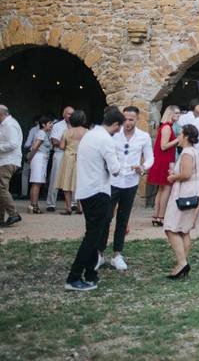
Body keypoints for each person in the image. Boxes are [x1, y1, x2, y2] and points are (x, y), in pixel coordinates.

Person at [65, 106, 124, 291]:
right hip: (98, 191)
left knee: (94, 233)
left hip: (85, 190)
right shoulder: (106, 140)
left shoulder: (91, 134)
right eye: (119, 127)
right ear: (115, 124)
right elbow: (115, 169)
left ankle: (91, 273)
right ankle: (74, 277)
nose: (119, 130)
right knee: (92, 237)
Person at [100, 106, 153, 271]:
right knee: (106, 217)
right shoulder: (114, 134)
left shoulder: (143, 137)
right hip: (112, 181)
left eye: (131, 119)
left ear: (137, 119)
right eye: (125, 119)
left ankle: (117, 254)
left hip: (130, 181)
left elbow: (151, 158)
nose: (128, 123)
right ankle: (99, 254)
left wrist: (142, 167)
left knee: (123, 219)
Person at [163, 124, 199, 280]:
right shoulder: (195, 152)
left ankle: (181, 262)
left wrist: (173, 177)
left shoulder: (187, 153)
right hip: (195, 190)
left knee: (170, 227)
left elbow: (186, 174)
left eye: (180, 135)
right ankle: (182, 264)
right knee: (183, 230)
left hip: (186, 192)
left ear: (186, 136)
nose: (178, 138)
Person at [148, 105, 180, 226]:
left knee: (161, 189)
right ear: (170, 113)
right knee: (166, 188)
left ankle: (156, 216)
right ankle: (161, 216)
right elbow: (163, 146)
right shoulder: (166, 127)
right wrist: (178, 140)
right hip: (164, 161)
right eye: (176, 113)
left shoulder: (167, 127)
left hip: (164, 160)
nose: (178, 115)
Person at [56, 109, 88, 215]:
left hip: (69, 158)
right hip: (82, 159)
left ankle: (68, 207)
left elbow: (61, 146)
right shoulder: (87, 132)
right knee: (80, 183)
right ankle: (80, 207)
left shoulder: (67, 132)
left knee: (67, 183)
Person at [0, 104, 24, 227]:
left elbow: (13, 144)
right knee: (2, 189)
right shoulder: (6, 124)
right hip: (5, 160)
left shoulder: (9, 125)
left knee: (1, 189)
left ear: (1, 114)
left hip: (7, 160)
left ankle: (14, 214)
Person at [47, 106, 74, 212]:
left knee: (72, 178)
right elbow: (54, 141)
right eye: (68, 114)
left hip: (72, 154)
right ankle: (51, 203)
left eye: (72, 114)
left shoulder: (76, 126)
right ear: (64, 114)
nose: (71, 116)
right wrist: (71, 144)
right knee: (55, 177)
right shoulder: (57, 125)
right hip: (60, 154)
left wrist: (65, 144)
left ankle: (73, 203)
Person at [27, 115, 54, 213]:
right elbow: (35, 146)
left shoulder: (45, 133)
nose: (51, 125)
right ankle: (34, 206)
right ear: (43, 124)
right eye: (49, 123)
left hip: (41, 158)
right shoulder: (42, 133)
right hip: (39, 158)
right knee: (37, 183)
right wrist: (30, 158)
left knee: (36, 182)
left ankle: (33, 205)